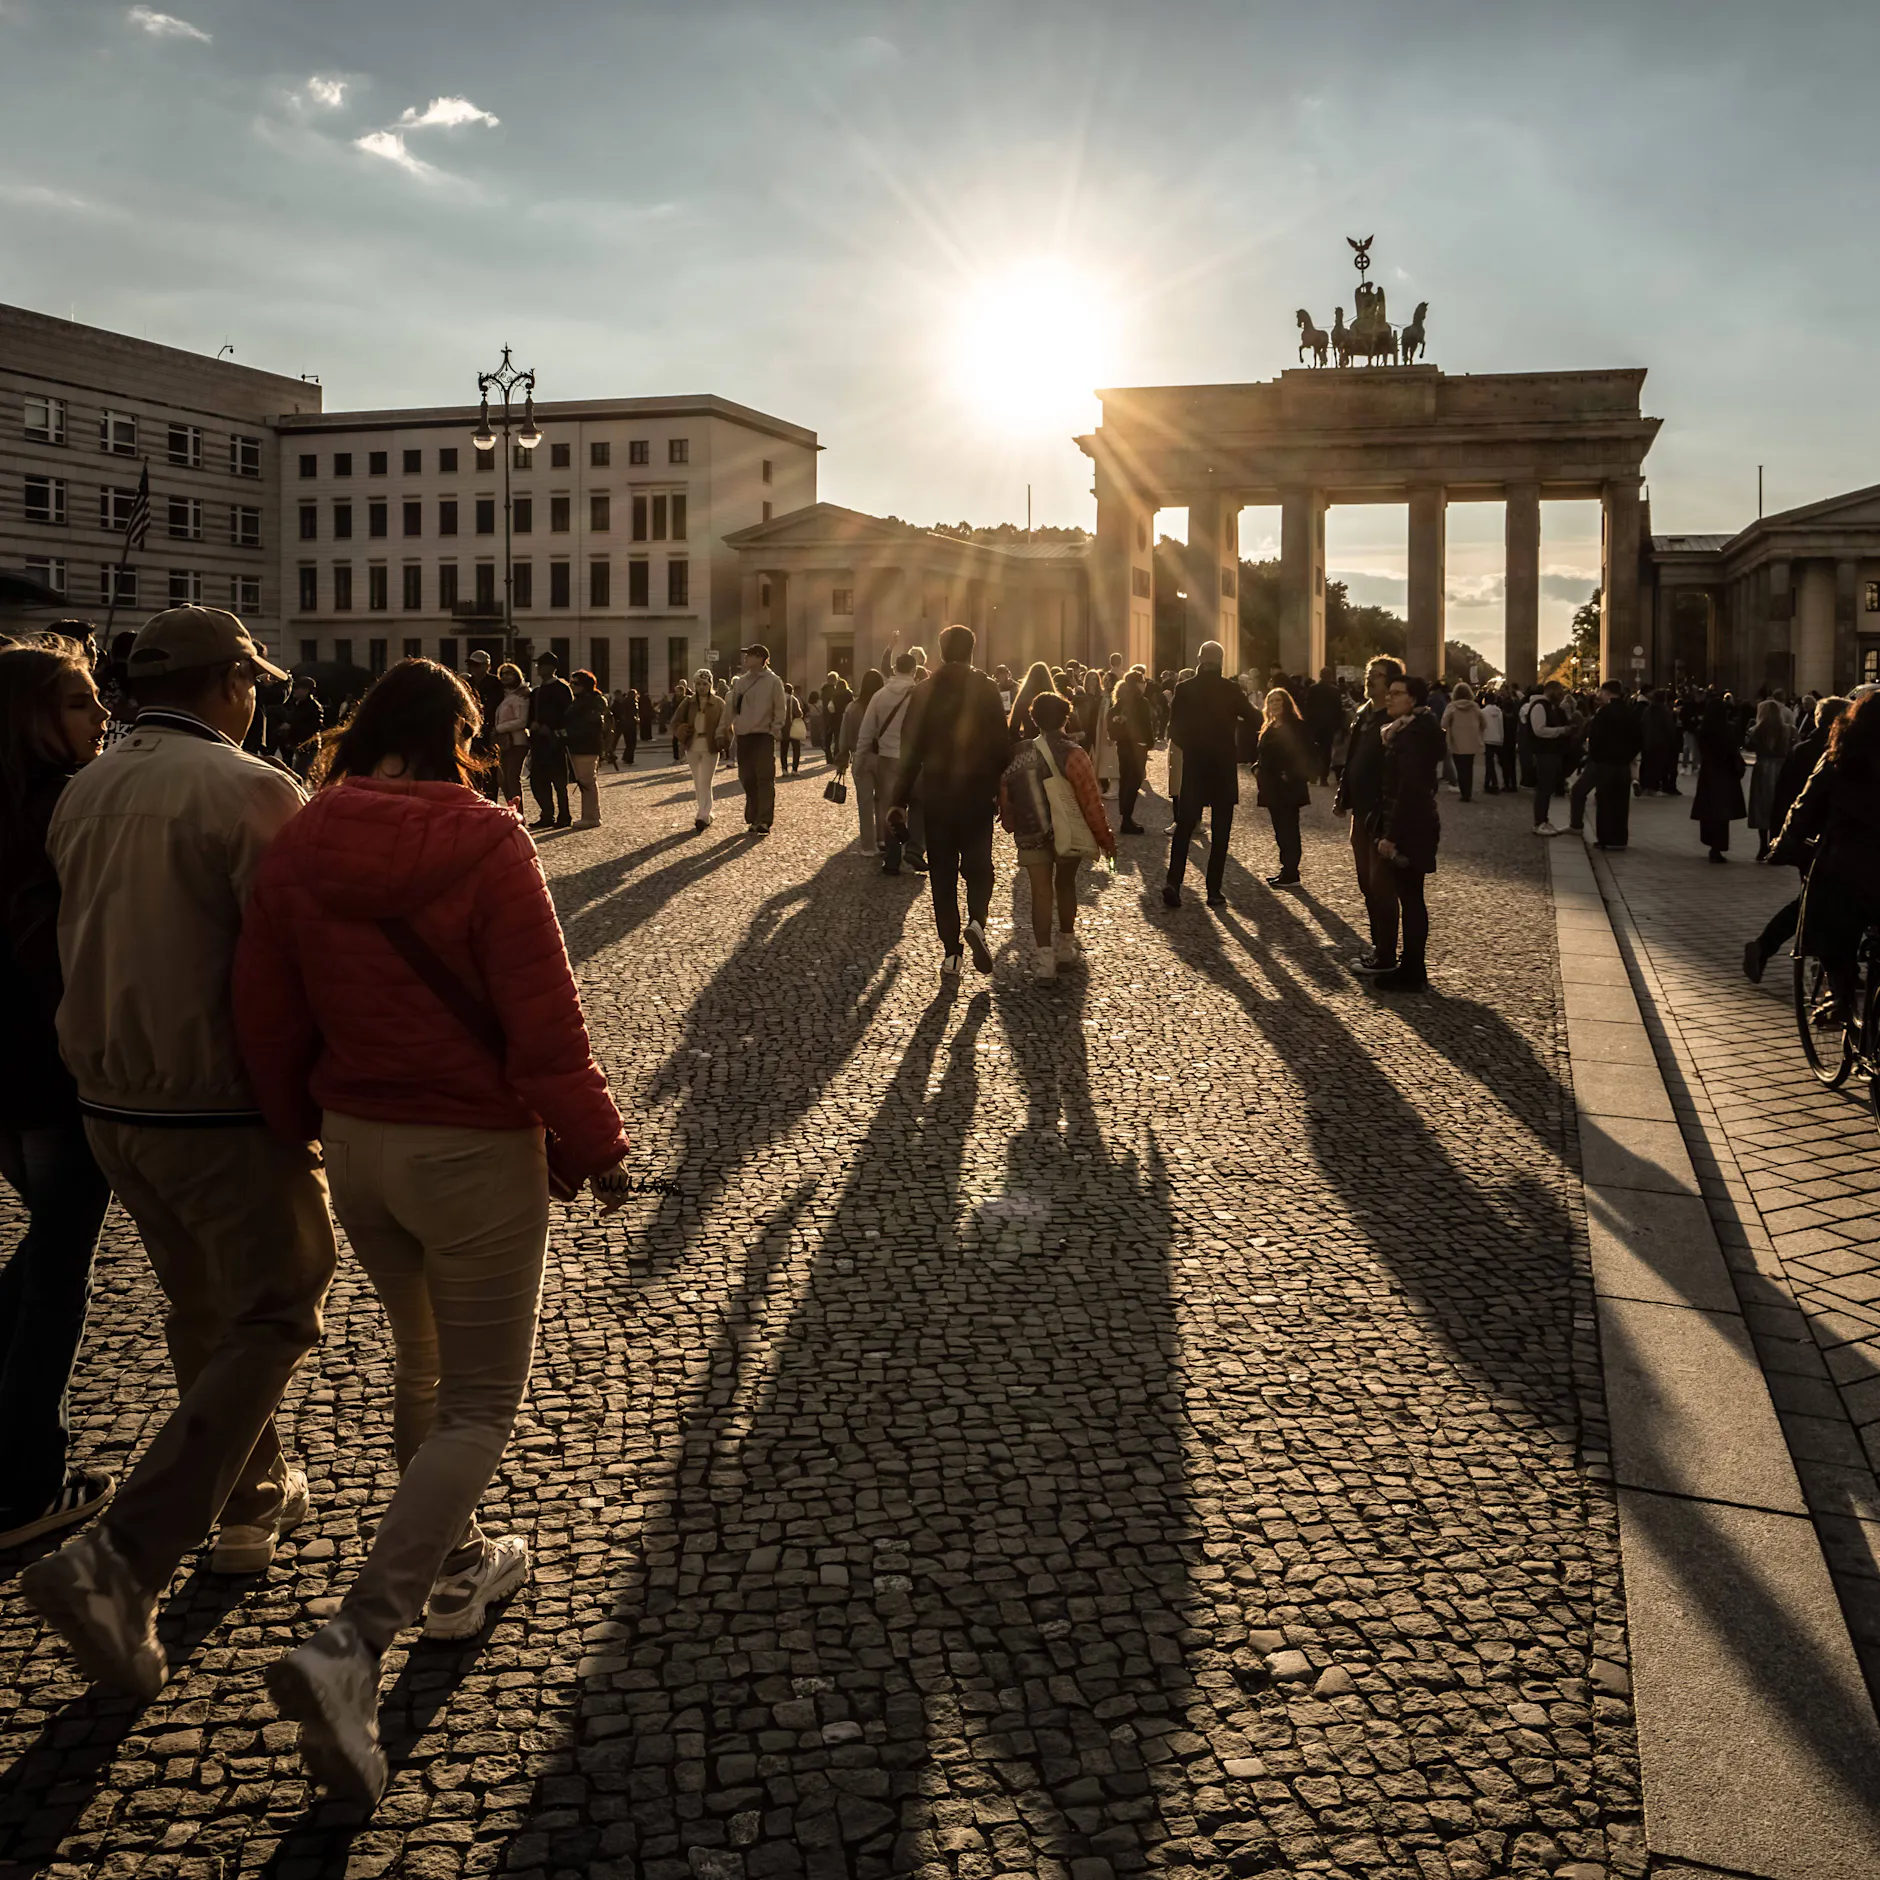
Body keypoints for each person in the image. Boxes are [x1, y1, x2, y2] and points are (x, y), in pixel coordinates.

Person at [232, 659, 633, 1804]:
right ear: (459, 732)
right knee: (479, 1403)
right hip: (467, 1151)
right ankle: (352, 1640)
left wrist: (292, 1120)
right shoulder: (489, 839)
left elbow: (265, 1002)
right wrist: (596, 1146)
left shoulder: (300, 837)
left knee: (420, 1360)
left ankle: (455, 1558)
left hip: (357, 1141)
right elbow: (544, 1018)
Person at [23, 606, 337, 1701]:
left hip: (110, 1097)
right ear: (230, 686)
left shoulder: (86, 786)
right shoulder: (250, 790)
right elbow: (291, 957)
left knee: (199, 1303)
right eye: (251, 683)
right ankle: (125, 1557)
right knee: (279, 1303)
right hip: (213, 1098)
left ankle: (249, 1495)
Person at [0, 638, 116, 1550]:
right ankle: (30, 1480)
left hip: (8, 1076)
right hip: (49, 1069)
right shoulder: (61, 811)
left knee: (46, 1248)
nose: (99, 715)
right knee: (57, 1276)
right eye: (79, 703)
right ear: (33, 720)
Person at [889, 623, 1009, 979]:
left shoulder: (924, 690)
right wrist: (999, 787)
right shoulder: (986, 688)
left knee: (942, 876)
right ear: (973, 651)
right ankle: (977, 921)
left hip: (937, 795)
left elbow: (909, 751)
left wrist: (899, 799)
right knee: (979, 867)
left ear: (941, 652)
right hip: (976, 794)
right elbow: (1002, 745)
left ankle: (951, 954)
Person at [1767, 691, 1880, 1025]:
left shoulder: (1840, 757)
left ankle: (1840, 997)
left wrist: (1784, 843)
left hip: (1850, 865)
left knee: (1827, 923)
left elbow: (1804, 806)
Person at [998, 691, 1114, 978]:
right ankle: (1065, 946)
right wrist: (1105, 840)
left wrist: (1012, 822)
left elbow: (1005, 797)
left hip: (1030, 831)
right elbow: (1090, 801)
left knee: (1040, 893)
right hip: (1067, 832)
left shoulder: (1019, 753)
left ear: (1034, 719)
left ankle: (1044, 961)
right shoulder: (1074, 754)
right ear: (1065, 718)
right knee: (1065, 885)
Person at [1745, 695, 1847, 983]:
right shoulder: (1838, 753)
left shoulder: (1803, 750)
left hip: (1809, 842)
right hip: (1824, 844)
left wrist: (1783, 838)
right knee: (1822, 902)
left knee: (1814, 900)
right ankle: (1828, 968)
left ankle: (1772, 948)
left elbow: (1788, 799)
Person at [1162, 641, 1262, 911]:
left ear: (1199, 659)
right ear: (1221, 661)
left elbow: (1174, 729)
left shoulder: (1184, 688)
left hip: (1194, 766)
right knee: (1220, 832)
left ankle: (1174, 882)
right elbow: (1255, 719)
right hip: (1222, 767)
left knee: (1184, 827)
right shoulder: (1232, 690)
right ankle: (1214, 890)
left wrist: (1191, 746)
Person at [1370, 672, 1443, 992]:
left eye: (1396, 693)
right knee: (1412, 897)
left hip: (1410, 828)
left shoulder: (1412, 735)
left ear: (1413, 699)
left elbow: (1409, 788)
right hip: (1417, 823)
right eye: (1390, 693)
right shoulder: (1412, 729)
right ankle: (1411, 965)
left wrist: (1392, 835)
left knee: (1411, 899)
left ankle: (1413, 969)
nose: (1389, 697)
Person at [1334, 656, 1405, 972]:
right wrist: (1342, 795)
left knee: (1381, 884)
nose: (1370, 679)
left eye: (1377, 675)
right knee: (1366, 883)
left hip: (1379, 814)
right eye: (1368, 673)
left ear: (1391, 683)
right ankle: (1379, 946)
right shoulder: (1364, 715)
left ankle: (1387, 955)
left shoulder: (1394, 719)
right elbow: (1352, 761)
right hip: (1359, 812)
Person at [854, 653, 920, 868]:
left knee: (888, 806)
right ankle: (914, 849)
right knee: (917, 804)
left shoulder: (880, 696)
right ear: (914, 670)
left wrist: (859, 760)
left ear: (895, 669)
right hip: (914, 757)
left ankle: (892, 858)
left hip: (887, 756)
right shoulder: (920, 694)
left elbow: (866, 732)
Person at [1570, 678, 1643, 848]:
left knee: (1605, 801)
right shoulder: (1629, 712)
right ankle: (1620, 838)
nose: (1599, 695)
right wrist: (1628, 756)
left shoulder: (1603, 713)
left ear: (1608, 693)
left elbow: (1596, 739)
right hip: (1623, 764)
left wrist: (1594, 756)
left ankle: (1606, 838)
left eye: (1601, 692)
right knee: (1621, 802)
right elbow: (1638, 739)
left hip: (1605, 763)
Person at [727, 644, 788, 834]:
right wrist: (725, 729)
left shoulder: (774, 681)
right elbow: (732, 707)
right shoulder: (741, 682)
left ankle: (763, 820)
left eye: (749, 656)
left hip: (763, 735)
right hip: (744, 735)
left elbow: (780, 708)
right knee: (747, 778)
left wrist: (775, 729)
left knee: (764, 778)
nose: (745, 659)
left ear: (760, 658)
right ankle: (753, 815)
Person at [1256, 686, 1313, 888]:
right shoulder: (1269, 727)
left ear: (1286, 703)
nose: (1275, 705)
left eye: (1278, 701)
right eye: (1271, 701)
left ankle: (1291, 871)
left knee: (1289, 828)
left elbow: (1303, 753)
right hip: (1271, 786)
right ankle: (1286, 868)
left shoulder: (1296, 726)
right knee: (1280, 830)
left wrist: (1289, 773)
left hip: (1287, 785)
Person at [1691, 699, 1747, 863]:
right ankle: (1718, 846)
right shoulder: (1728, 729)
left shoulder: (1703, 730)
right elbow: (1733, 750)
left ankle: (1710, 842)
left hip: (1708, 773)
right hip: (1725, 774)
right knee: (1722, 813)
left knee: (1709, 810)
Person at [836, 668, 884, 853]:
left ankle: (867, 846)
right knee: (883, 800)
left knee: (864, 803)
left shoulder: (853, 707)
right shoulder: (884, 707)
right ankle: (882, 840)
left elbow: (844, 735)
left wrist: (842, 758)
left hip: (860, 756)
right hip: (883, 757)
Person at [672, 669, 725, 832]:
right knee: (698, 781)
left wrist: (722, 738)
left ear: (710, 684)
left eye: (705, 684)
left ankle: (703, 815)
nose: (701, 687)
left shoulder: (718, 703)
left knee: (706, 781)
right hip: (692, 746)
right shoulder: (688, 702)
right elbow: (675, 721)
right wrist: (682, 730)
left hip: (710, 746)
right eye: (698, 684)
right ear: (694, 685)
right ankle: (705, 813)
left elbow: (725, 723)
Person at [525, 651, 572, 830]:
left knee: (559, 782)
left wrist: (550, 727)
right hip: (538, 742)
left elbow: (567, 714)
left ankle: (564, 815)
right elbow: (529, 714)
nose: (538, 668)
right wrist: (533, 724)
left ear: (551, 667)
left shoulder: (562, 688)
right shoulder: (536, 691)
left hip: (555, 742)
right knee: (538, 781)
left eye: (542, 665)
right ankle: (547, 814)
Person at [562, 670, 610, 828]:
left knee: (587, 781)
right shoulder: (582, 700)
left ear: (585, 685)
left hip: (586, 746)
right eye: (571, 683)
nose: (572, 686)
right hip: (580, 745)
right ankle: (590, 815)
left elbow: (590, 726)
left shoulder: (591, 702)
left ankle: (591, 817)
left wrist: (568, 733)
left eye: (576, 683)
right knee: (586, 781)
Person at [1747, 696, 1793, 860]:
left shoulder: (1757, 730)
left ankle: (1762, 846)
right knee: (1778, 807)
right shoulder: (1787, 729)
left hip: (1762, 769)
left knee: (1762, 807)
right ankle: (1777, 844)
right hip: (1781, 769)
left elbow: (1748, 745)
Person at [1525, 681, 1572, 834]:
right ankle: (1539, 822)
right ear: (1551, 691)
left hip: (1550, 752)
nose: (1561, 696)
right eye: (1559, 692)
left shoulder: (1549, 707)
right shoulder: (1539, 706)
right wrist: (1560, 730)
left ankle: (1543, 820)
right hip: (1544, 752)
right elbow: (1539, 730)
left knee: (1547, 787)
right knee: (1544, 788)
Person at [1111, 666, 1154, 833]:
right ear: (1137, 684)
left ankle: (1125, 817)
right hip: (1137, 747)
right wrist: (1148, 743)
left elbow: (1112, 715)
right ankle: (1127, 819)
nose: (1145, 684)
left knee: (1125, 780)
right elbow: (1146, 725)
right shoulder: (1141, 702)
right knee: (1134, 781)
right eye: (1143, 681)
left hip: (1123, 746)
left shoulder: (1121, 700)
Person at [463, 649, 504, 797]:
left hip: (491, 731)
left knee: (491, 771)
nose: (473, 668)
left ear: (487, 666)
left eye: (477, 665)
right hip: (472, 732)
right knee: (472, 770)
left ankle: (491, 800)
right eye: (471, 665)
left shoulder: (497, 683)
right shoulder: (467, 684)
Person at [1440, 681, 1485, 803]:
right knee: (1469, 767)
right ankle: (1468, 792)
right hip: (1472, 741)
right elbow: (1483, 722)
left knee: (1460, 768)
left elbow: (1443, 723)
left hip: (1456, 741)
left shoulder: (1452, 707)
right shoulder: (1475, 706)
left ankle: (1464, 792)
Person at [493, 664, 530, 805]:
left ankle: (517, 813)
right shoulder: (506, 695)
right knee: (502, 780)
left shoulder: (521, 696)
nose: (505, 676)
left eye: (509, 673)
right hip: (504, 743)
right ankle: (511, 809)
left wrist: (499, 728)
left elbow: (522, 721)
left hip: (517, 742)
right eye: (502, 674)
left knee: (511, 778)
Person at [1304, 667, 1345, 787]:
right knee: (1326, 750)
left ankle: (1312, 775)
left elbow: (1308, 706)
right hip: (1329, 724)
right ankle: (1323, 777)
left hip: (1314, 723)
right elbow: (1338, 709)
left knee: (1313, 749)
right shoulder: (1335, 691)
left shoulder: (1313, 689)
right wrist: (1338, 724)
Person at [279, 675, 325, 779]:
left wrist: (291, 726)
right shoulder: (298, 704)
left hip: (308, 745)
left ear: (306, 690)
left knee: (300, 774)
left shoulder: (313, 707)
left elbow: (313, 727)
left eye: (297, 688)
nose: (294, 691)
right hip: (301, 745)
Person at [1478, 688, 1504, 794]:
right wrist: (1502, 738)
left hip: (1487, 738)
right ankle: (1488, 783)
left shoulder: (1483, 712)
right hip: (1497, 738)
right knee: (1494, 763)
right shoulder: (1499, 712)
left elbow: (1481, 726)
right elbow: (1501, 726)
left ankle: (1493, 783)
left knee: (1489, 763)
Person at [782, 683, 806, 776]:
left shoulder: (780, 699)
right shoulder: (793, 700)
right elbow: (799, 713)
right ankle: (794, 769)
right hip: (793, 727)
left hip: (783, 727)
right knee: (796, 749)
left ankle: (784, 769)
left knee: (784, 749)